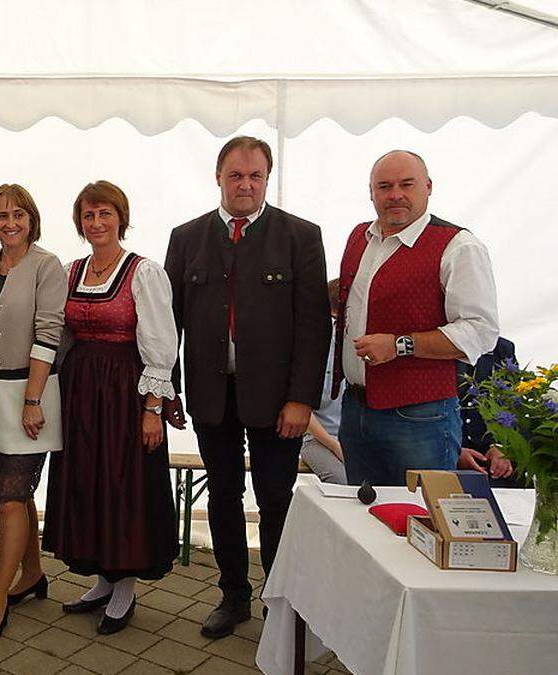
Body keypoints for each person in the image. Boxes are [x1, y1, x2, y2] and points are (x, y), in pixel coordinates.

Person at [164, 136, 331, 639]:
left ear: (267, 178)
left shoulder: (300, 236)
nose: (245, 184)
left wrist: (302, 398)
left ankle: (279, 603)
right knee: (223, 496)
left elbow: (313, 326)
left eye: (255, 175)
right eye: (236, 175)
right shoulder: (186, 237)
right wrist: (167, 390)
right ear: (218, 177)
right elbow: (165, 323)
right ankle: (233, 595)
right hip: (212, 395)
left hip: (278, 399)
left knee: (276, 498)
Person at [42, 180, 179, 636]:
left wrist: (153, 408)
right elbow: (57, 333)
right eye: (88, 215)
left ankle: (126, 587)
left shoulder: (143, 271)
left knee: (124, 484)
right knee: (89, 482)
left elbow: (160, 344)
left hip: (125, 391)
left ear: (121, 217)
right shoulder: (70, 269)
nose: (96, 223)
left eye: (105, 213)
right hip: (81, 391)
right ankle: (103, 579)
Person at [335, 150, 500, 486]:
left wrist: (400, 345)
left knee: (421, 520)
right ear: (371, 192)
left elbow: (480, 331)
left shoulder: (459, 246)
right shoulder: (360, 237)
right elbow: (357, 295)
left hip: (421, 416)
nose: (395, 194)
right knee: (361, 524)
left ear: (428, 186)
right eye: (384, 186)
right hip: (355, 410)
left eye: (406, 184)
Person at [0, 184, 66, 646]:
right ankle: (33, 573)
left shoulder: (47, 266)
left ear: (32, 219)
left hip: (28, 396)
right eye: (1, 215)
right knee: (16, 493)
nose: (9, 223)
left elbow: (49, 333)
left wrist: (31, 399)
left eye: (18, 215)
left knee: (10, 497)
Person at [302, 279, 347, 485]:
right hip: (317, 438)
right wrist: (335, 446)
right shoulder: (313, 347)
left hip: (359, 437)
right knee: (342, 480)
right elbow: (304, 413)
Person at [457, 338, 519, 486]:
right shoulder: (434, 347)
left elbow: (511, 405)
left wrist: (501, 447)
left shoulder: (502, 348)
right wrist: (454, 451)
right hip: (444, 451)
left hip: (490, 460)